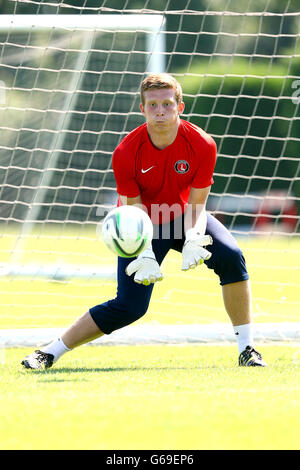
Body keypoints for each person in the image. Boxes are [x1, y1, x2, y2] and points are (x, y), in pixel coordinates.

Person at [21, 73, 266, 369]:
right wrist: (146, 253)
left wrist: (193, 237)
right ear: (142, 109)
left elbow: (197, 205)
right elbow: (133, 212)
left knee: (232, 256)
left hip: (185, 216)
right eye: (152, 105)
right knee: (130, 306)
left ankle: (247, 349)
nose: (160, 111)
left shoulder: (203, 144)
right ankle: (49, 352)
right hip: (140, 225)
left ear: (180, 106)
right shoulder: (126, 151)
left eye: (166, 104)